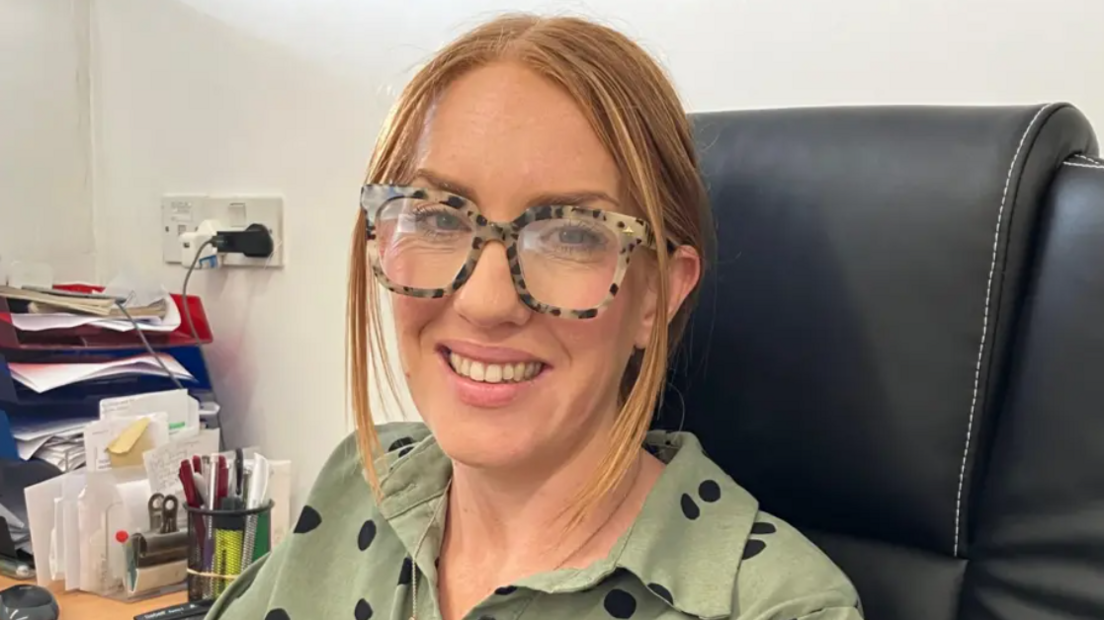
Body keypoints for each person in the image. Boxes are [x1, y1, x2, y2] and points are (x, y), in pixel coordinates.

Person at [207, 13, 862, 620]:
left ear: (658, 295)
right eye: (437, 218)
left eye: (571, 233)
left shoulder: (776, 606)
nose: (487, 303)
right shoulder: (364, 480)